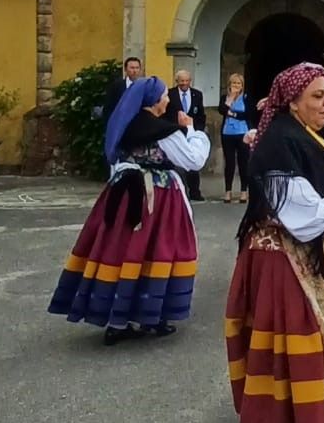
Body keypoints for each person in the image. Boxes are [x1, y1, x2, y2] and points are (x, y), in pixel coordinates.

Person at [224, 63, 324, 423]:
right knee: (292, 337)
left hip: (313, 251)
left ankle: (317, 407)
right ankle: (281, 422)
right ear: (292, 102)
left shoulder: (316, 135)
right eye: (317, 97)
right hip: (284, 257)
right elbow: (295, 202)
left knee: (321, 334)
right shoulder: (279, 139)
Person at [49, 75, 210, 344]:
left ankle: (116, 319)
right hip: (155, 195)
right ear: (155, 101)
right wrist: (193, 130)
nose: (167, 99)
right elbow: (193, 161)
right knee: (156, 251)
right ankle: (152, 316)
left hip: (122, 192)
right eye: (164, 96)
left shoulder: (125, 123)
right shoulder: (163, 130)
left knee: (121, 250)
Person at [170, 69, 207, 200]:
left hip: (192, 133)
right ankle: (180, 190)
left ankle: (195, 191)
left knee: (193, 161)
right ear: (177, 81)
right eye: (181, 81)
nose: (184, 84)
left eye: (186, 81)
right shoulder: (170, 94)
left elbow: (201, 114)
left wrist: (199, 131)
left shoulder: (197, 94)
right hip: (176, 133)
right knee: (178, 163)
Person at [219, 72, 253, 203]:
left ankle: (244, 191)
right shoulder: (225, 97)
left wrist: (231, 113)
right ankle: (228, 191)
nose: (236, 85)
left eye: (238, 83)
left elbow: (246, 115)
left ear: (242, 85)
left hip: (242, 133)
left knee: (243, 162)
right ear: (229, 84)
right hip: (227, 133)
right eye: (234, 83)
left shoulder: (246, 97)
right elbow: (221, 110)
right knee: (229, 163)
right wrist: (230, 98)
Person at [97, 56, 143, 122]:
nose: (135, 71)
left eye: (137, 68)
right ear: (125, 69)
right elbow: (109, 107)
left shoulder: (144, 86)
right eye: (132, 68)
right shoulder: (116, 86)